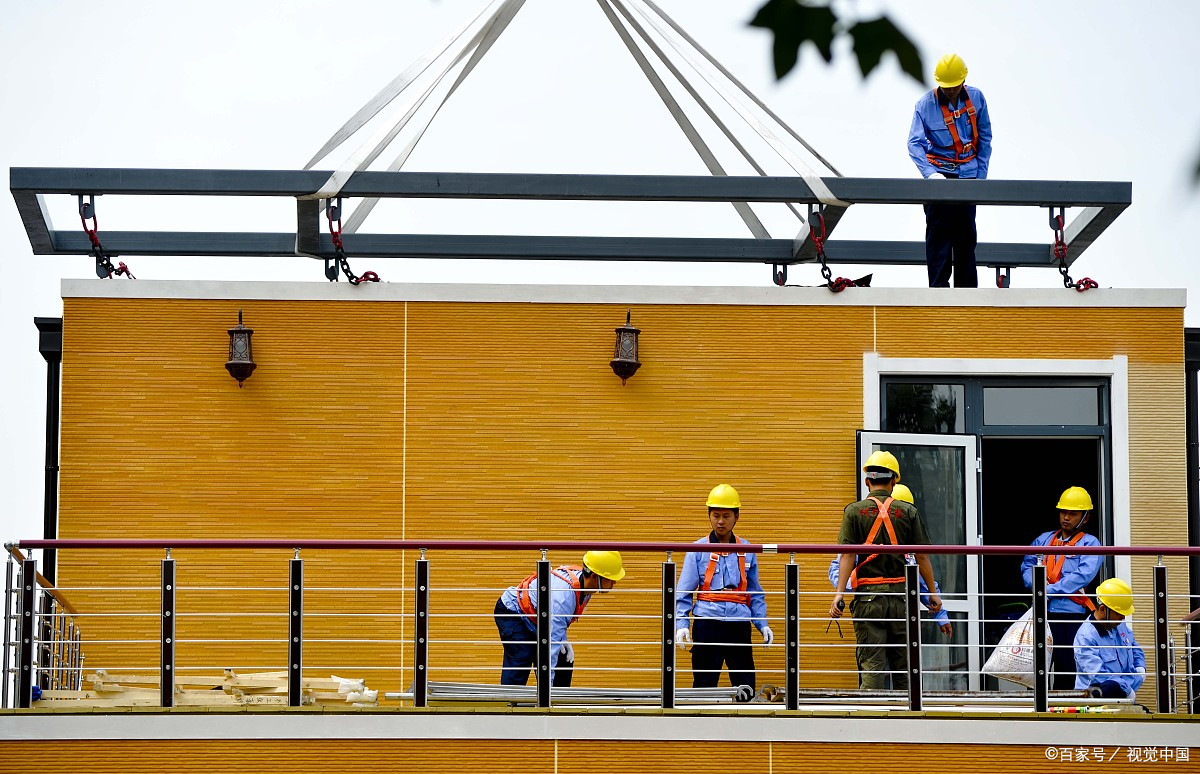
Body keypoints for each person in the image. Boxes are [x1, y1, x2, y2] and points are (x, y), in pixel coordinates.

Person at [830, 452, 942, 690]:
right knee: (904, 664)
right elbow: (922, 556)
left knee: (872, 663)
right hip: (902, 599)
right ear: (894, 481)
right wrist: (933, 593)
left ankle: (872, 718)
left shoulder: (853, 512)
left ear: (867, 481)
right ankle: (909, 717)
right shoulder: (908, 512)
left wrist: (839, 594)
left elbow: (847, 555)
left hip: (868, 599)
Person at [907, 53, 993, 288]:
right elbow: (914, 143)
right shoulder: (925, 106)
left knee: (966, 239)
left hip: (968, 176)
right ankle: (938, 292)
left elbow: (985, 138)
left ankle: (967, 295)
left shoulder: (976, 98)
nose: (951, 91)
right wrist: (930, 175)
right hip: (939, 177)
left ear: (963, 81)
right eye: (946, 87)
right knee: (939, 238)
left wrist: (980, 178)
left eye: (955, 86)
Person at [676, 484, 772, 691]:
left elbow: (754, 592)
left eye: (726, 515)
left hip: (739, 623)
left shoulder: (747, 550)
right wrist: (681, 624)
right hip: (707, 622)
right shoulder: (697, 550)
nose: (720, 521)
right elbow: (683, 592)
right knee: (704, 682)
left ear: (736, 517)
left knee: (745, 682)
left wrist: (761, 623)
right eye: (716, 515)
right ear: (709, 516)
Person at [494, 550, 625, 686]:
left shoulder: (585, 587)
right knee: (522, 655)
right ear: (594, 576)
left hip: (535, 617)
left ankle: (559, 701)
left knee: (563, 660)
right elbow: (550, 647)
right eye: (610, 578)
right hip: (513, 612)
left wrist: (563, 638)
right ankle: (510, 703)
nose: (614, 582)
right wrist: (546, 691)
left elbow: (555, 622)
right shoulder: (564, 598)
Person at [1020, 486, 1102, 691]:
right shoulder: (1044, 539)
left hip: (1070, 616)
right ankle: (1035, 709)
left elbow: (1083, 576)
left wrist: (1047, 590)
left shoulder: (1090, 544)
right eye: (1063, 512)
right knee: (1037, 665)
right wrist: (1036, 584)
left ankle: (1062, 712)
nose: (1066, 517)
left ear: (1085, 518)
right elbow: (1027, 565)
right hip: (1042, 613)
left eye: (1073, 513)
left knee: (1067, 667)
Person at [1074, 578, 1145, 699]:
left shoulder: (1118, 624)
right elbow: (1098, 675)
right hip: (1098, 699)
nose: (1123, 617)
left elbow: (1134, 646)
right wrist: (1127, 690)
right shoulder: (1086, 636)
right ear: (1102, 609)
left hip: (1123, 694)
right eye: (1118, 613)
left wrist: (1140, 669)